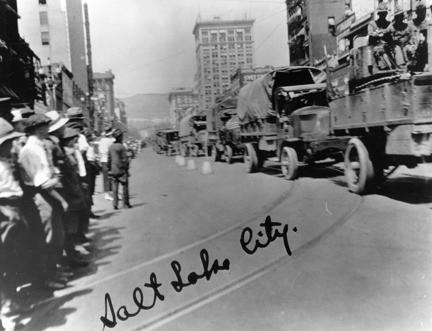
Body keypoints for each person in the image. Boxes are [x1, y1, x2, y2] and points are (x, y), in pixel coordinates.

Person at [18, 114, 68, 290]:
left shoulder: (39, 146)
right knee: (47, 238)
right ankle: (46, 278)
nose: (49, 129)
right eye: (47, 126)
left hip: (47, 192)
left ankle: (53, 271)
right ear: (39, 129)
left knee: (56, 235)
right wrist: (61, 200)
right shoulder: (31, 149)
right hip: (42, 195)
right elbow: (42, 181)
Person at [367, 2, 394, 73]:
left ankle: (394, 67)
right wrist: (376, 35)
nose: (383, 15)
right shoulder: (372, 24)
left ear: (386, 14)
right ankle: (381, 68)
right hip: (376, 46)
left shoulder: (389, 24)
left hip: (387, 46)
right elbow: (371, 36)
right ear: (378, 14)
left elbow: (391, 36)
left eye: (384, 13)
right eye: (381, 14)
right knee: (377, 52)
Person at [108, 129, 131, 210]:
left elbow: (109, 159)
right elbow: (125, 159)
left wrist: (109, 169)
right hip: (121, 169)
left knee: (115, 187)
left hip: (113, 169)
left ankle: (115, 204)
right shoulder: (121, 147)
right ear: (120, 137)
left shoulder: (111, 147)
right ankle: (125, 204)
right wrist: (127, 168)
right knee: (125, 186)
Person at [407, 0, 429, 71]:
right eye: (421, 11)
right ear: (417, 12)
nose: (423, 13)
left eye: (424, 11)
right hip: (412, 50)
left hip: (424, 52)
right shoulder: (410, 24)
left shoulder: (427, 25)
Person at [98, 130, 115, 201]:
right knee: (110, 177)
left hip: (103, 159)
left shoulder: (101, 140)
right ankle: (108, 194)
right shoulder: (110, 141)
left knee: (105, 177)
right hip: (108, 159)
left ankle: (108, 193)